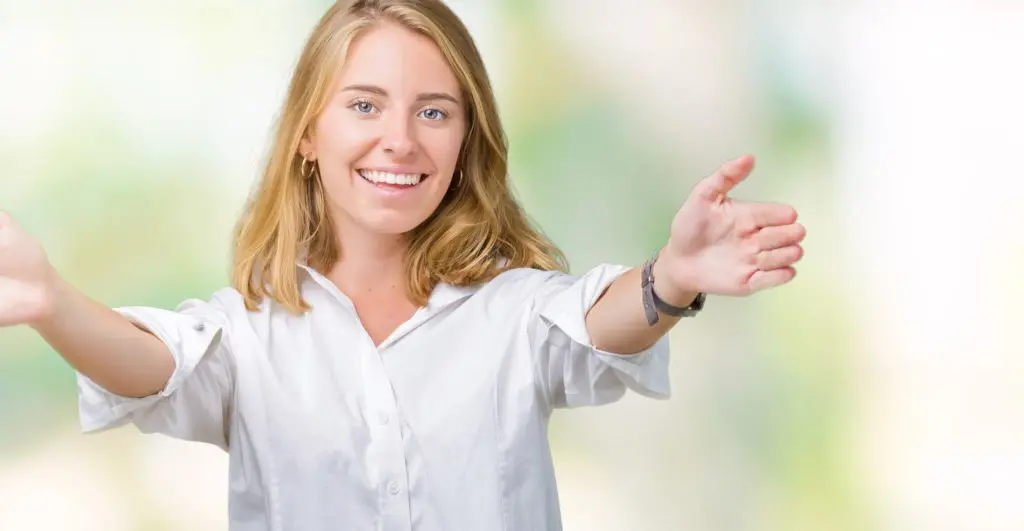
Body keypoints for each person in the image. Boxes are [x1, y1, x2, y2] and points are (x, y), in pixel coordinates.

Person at [0, 0, 805, 529]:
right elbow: (155, 365)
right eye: (364, 105)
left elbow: (600, 324)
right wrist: (48, 300)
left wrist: (671, 277)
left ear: (464, 143)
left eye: (434, 111)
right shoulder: (251, 337)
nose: (400, 138)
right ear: (307, 137)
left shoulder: (512, 312)